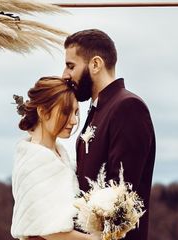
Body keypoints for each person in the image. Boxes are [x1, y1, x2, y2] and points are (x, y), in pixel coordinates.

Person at [63, 29, 156, 240]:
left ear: (95, 64)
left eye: (71, 66)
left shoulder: (128, 107)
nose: (65, 75)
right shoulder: (98, 109)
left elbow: (122, 192)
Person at [10, 76, 98, 240]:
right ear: (43, 112)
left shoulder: (58, 155)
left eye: (76, 113)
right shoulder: (34, 161)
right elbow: (50, 230)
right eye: (65, 111)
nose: (73, 120)